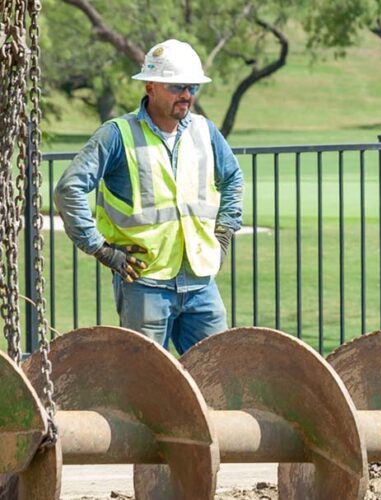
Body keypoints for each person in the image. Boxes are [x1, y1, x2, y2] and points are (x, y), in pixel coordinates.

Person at [55, 39, 244, 354]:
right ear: (151, 87)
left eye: (193, 87)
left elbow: (233, 178)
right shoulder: (117, 135)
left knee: (220, 372)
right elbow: (68, 189)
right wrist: (101, 249)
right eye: (177, 86)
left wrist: (224, 233)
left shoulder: (204, 130)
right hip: (145, 283)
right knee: (145, 377)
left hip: (200, 281)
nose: (186, 95)